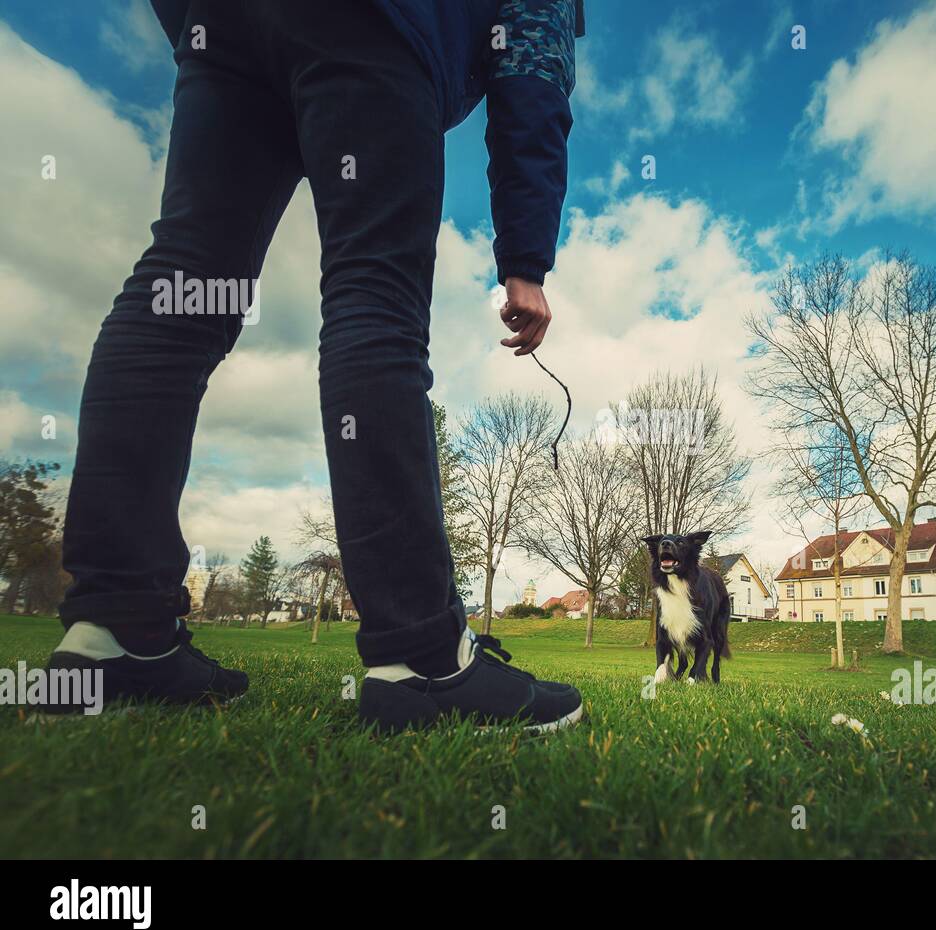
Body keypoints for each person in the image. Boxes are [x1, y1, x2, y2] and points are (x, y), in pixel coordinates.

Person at [42, 0, 586, 733]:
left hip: (224, 26)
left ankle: (118, 631)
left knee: (180, 291)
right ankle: (422, 660)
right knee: (375, 298)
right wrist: (525, 260)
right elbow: (531, 67)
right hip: (374, 25)